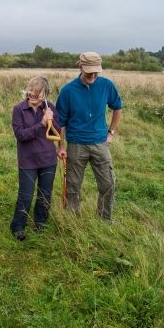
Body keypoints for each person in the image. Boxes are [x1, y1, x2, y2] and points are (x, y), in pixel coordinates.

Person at [56, 52, 123, 223]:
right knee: (73, 184)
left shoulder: (107, 85)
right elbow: (60, 122)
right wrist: (61, 147)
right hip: (76, 144)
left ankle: (105, 218)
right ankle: (72, 219)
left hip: (100, 143)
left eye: (96, 72)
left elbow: (118, 107)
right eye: (89, 72)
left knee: (108, 183)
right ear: (80, 67)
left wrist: (111, 132)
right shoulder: (68, 90)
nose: (93, 76)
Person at [10, 76, 61, 241]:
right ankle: (18, 226)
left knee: (45, 194)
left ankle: (41, 224)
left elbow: (57, 132)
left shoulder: (50, 108)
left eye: (37, 92)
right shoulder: (19, 109)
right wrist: (41, 123)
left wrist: (51, 119)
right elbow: (20, 135)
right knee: (25, 195)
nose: (32, 94)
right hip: (28, 160)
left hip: (48, 160)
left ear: (45, 94)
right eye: (31, 90)